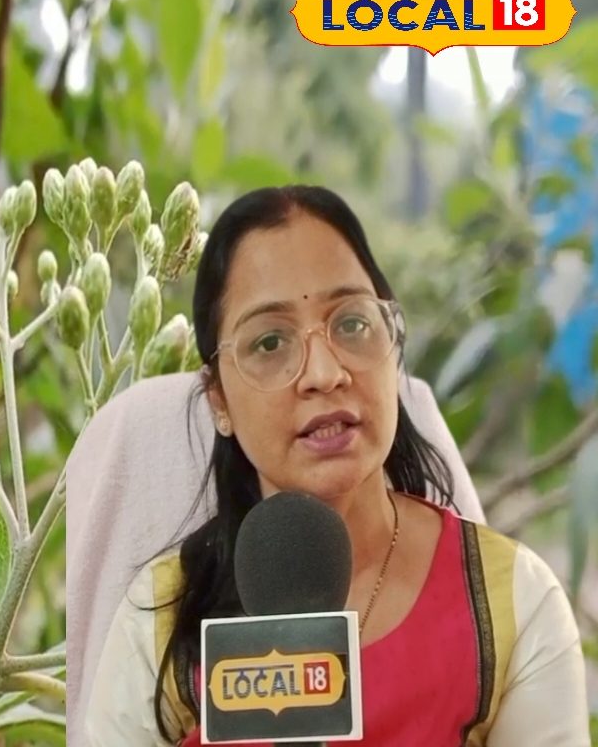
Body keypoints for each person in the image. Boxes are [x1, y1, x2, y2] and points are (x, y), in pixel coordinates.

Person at [79, 186, 588, 746]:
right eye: (269, 342)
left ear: (393, 347)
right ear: (219, 400)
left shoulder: (514, 603)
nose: (324, 373)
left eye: (351, 324)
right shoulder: (160, 621)